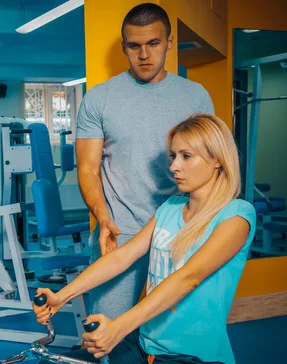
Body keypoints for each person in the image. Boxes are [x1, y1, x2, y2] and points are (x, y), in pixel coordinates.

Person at [19, 113, 256, 364]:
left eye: (186, 156)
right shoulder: (171, 208)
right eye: (173, 155)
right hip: (144, 345)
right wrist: (62, 296)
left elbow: (188, 278)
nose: (174, 166)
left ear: (217, 158)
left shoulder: (237, 215)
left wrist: (118, 327)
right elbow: (123, 257)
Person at [76, 3, 215, 320]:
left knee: (172, 333)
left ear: (169, 42)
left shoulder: (196, 97)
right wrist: (102, 216)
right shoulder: (100, 98)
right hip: (119, 233)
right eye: (134, 46)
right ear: (124, 46)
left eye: (153, 43)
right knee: (105, 332)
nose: (144, 55)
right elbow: (87, 168)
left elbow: (211, 164)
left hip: (181, 231)